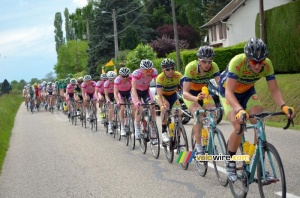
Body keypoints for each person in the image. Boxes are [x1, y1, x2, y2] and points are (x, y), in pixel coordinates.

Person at [219, 38, 296, 182]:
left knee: (258, 119)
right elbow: (229, 92)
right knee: (239, 126)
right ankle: (229, 162)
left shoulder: (267, 65)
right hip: (228, 93)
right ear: (247, 59)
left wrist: (284, 106)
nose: (258, 65)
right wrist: (239, 109)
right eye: (255, 62)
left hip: (248, 92)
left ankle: (257, 161)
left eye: (261, 61)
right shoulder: (237, 62)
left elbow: (274, 90)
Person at [182, 46, 220, 155]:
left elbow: (221, 85)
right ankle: (198, 146)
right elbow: (185, 93)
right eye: (204, 61)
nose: (207, 64)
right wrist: (195, 99)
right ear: (199, 60)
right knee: (199, 115)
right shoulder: (191, 68)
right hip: (191, 95)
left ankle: (209, 141)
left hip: (204, 92)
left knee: (213, 112)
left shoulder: (214, 67)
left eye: (210, 61)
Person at [156, 58, 182, 143]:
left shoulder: (178, 76)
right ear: (163, 69)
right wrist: (161, 106)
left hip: (173, 96)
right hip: (163, 96)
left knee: (179, 114)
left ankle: (178, 139)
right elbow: (159, 95)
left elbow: (183, 89)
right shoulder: (160, 78)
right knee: (166, 107)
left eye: (172, 68)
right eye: (167, 69)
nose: (171, 71)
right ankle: (164, 132)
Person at [131, 59, 158, 141]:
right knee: (140, 108)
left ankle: (153, 129)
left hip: (146, 91)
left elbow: (158, 85)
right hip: (136, 91)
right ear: (141, 70)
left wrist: (159, 96)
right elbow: (133, 89)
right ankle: (137, 127)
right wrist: (137, 101)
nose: (148, 72)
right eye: (146, 70)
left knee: (152, 105)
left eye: (150, 70)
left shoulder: (154, 72)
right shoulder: (137, 74)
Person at [114, 67, 134, 136]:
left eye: (126, 76)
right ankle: (122, 126)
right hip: (120, 93)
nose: (125, 78)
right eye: (123, 76)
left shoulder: (131, 78)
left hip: (129, 93)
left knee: (133, 106)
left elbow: (134, 89)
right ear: (120, 75)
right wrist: (117, 101)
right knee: (122, 107)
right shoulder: (117, 80)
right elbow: (115, 93)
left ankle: (131, 122)